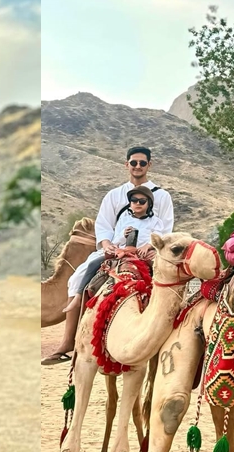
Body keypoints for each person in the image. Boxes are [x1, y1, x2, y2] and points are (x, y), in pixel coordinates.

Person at [41, 146, 174, 365]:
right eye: (134, 162)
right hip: (115, 249)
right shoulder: (114, 195)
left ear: (149, 165)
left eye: (142, 163)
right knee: (80, 276)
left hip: (148, 251)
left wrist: (151, 248)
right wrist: (107, 244)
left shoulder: (162, 196)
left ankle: (170, 339)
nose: (138, 167)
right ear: (127, 164)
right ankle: (67, 342)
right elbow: (104, 225)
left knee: (172, 281)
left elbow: (166, 229)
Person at [72, 185, 160, 294]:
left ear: (149, 203)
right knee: (91, 265)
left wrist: (147, 246)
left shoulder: (155, 221)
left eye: (142, 201)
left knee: (162, 270)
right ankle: (78, 296)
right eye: (134, 200)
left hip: (143, 255)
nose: (137, 203)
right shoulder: (124, 219)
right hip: (120, 253)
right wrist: (123, 235)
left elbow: (159, 237)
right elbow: (116, 241)